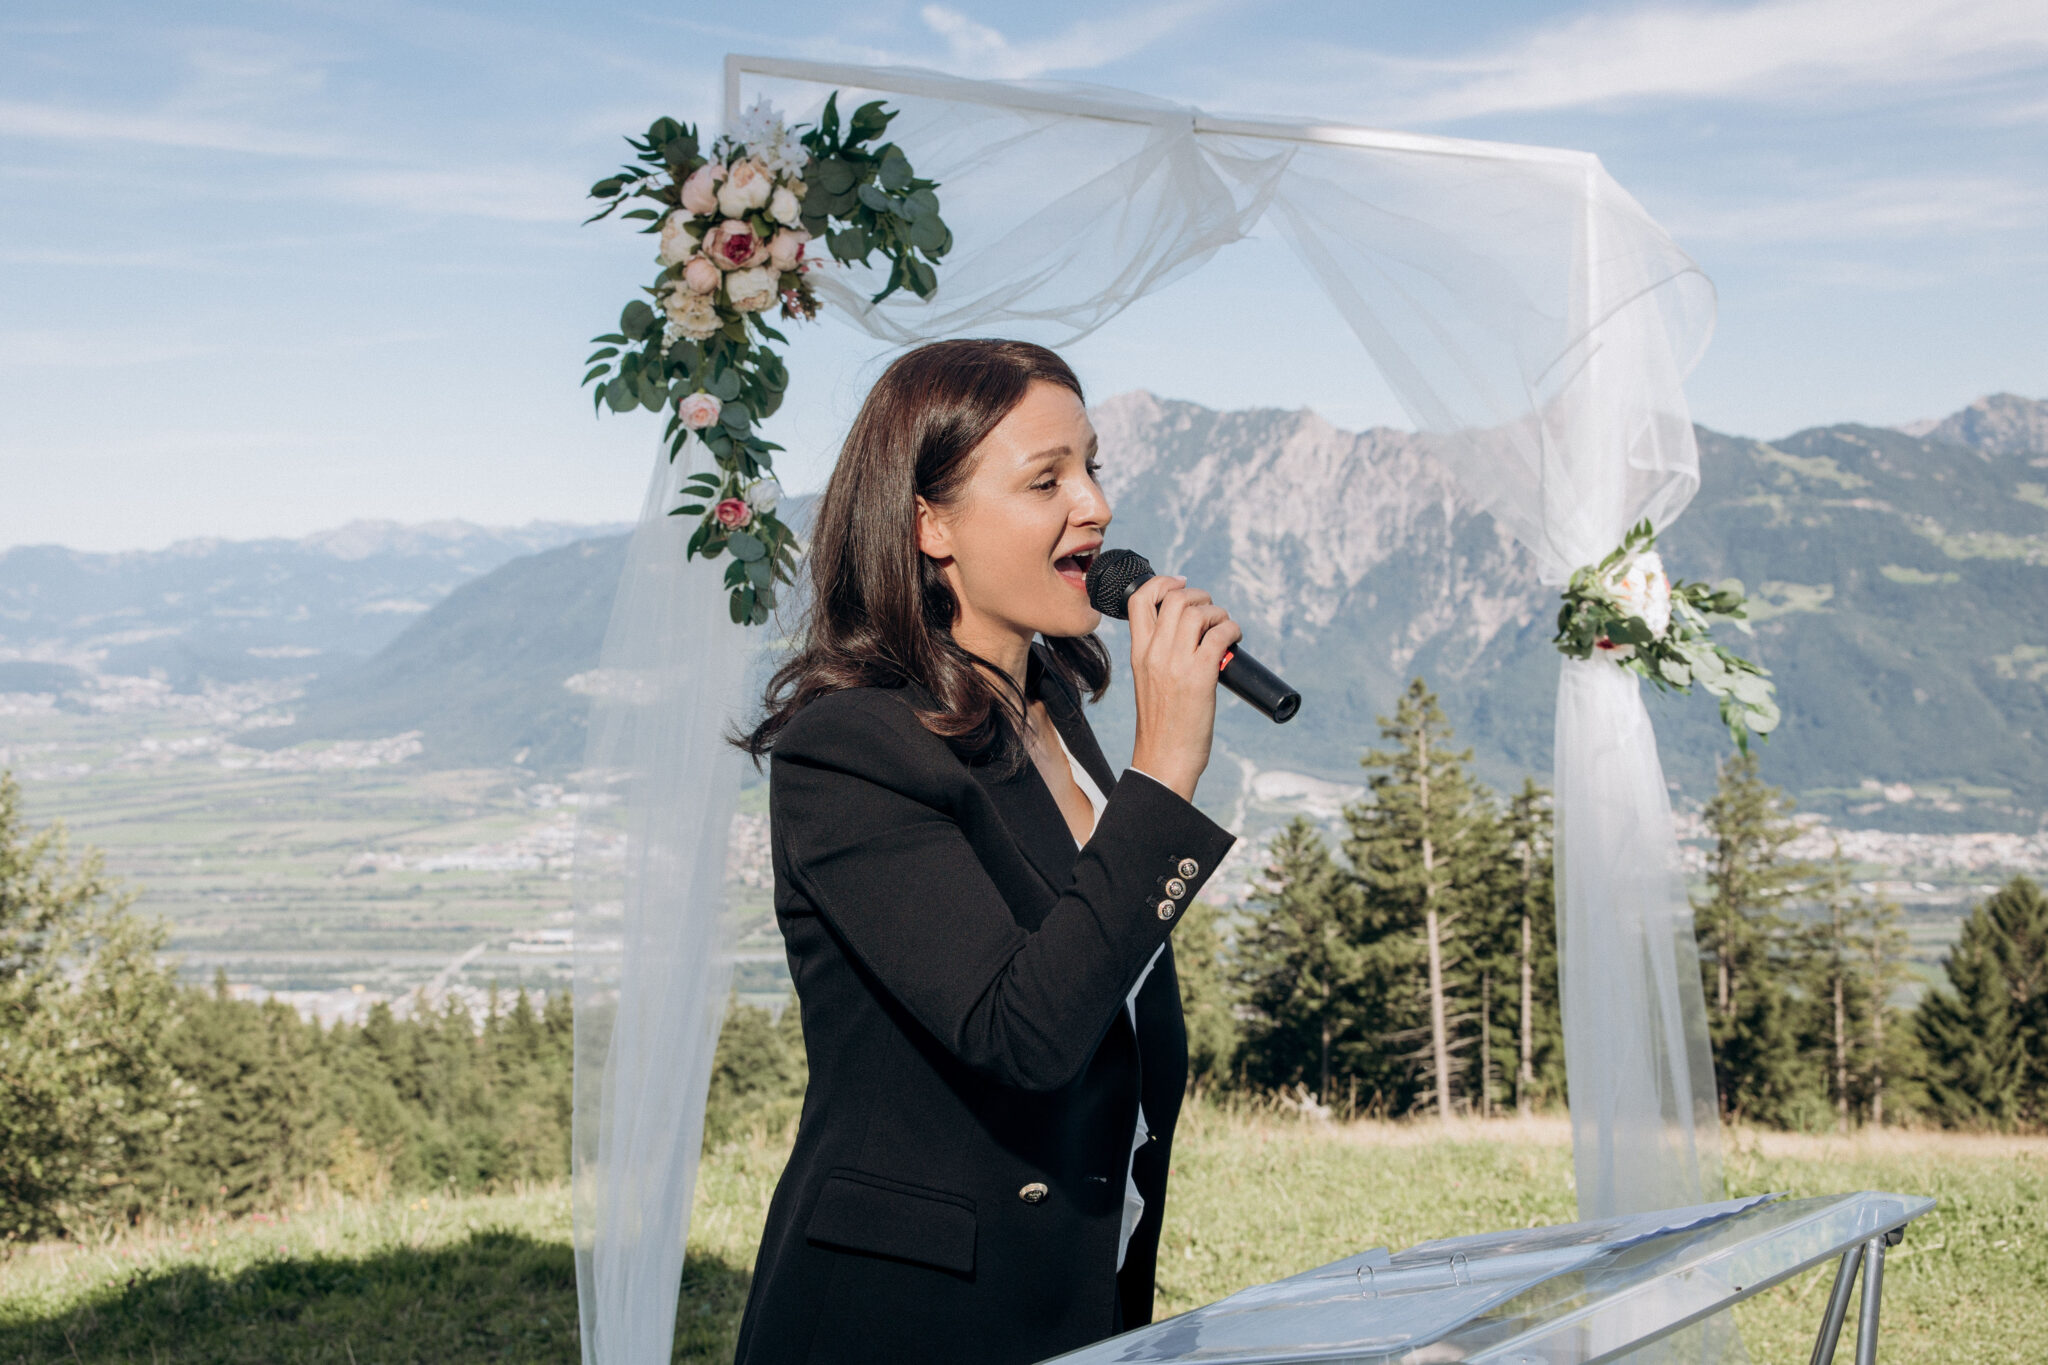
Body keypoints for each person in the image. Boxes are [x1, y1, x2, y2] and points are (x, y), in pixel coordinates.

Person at [728, 338, 1243, 1364]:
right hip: (911, 1318)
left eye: (1091, 468)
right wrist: (1164, 775)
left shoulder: (1050, 701)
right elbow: (1023, 1034)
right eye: (1046, 479)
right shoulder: (853, 747)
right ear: (929, 525)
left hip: (1076, 1294)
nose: (1092, 505)